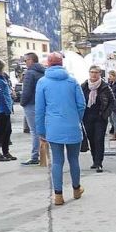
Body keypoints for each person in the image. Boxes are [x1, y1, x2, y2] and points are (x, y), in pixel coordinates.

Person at [36, 53, 86, 206]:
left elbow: (40, 110)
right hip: (72, 126)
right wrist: (76, 119)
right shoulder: (72, 81)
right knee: (74, 159)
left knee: (57, 161)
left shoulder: (42, 82)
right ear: (61, 63)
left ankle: (58, 195)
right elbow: (81, 104)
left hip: (53, 127)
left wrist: (41, 131)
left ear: (48, 64)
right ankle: (76, 189)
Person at [81, 65, 115, 173]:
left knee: (99, 139)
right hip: (87, 117)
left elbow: (112, 101)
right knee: (91, 139)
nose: (94, 74)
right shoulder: (84, 86)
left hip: (100, 117)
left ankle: (99, 163)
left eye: (96, 72)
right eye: (92, 72)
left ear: (100, 74)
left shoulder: (105, 87)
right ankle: (94, 161)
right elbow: (79, 100)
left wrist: (106, 114)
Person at [20, 52, 46, 165]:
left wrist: (22, 103)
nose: (25, 63)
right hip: (42, 104)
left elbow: (26, 91)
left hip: (31, 104)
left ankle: (35, 156)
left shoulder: (30, 73)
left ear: (31, 60)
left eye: (26, 60)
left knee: (35, 131)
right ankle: (45, 155)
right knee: (42, 130)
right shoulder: (43, 72)